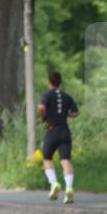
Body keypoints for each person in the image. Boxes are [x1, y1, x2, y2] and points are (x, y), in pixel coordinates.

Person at [38, 71, 79, 204]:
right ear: (60, 82)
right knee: (65, 160)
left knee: (47, 158)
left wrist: (43, 117)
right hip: (65, 131)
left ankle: (54, 183)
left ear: (49, 81)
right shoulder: (67, 96)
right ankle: (69, 188)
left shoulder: (46, 95)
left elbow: (41, 107)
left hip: (52, 130)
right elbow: (75, 113)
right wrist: (65, 114)